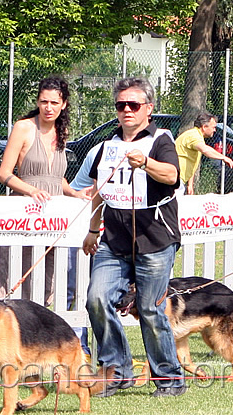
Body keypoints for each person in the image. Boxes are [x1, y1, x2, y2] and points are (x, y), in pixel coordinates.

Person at [76, 77, 186, 398]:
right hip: (113, 239)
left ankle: (168, 378)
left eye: (133, 105)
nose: (126, 110)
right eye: (121, 105)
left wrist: (146, 163)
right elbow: (99, 192)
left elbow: (172, 176)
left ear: (148, 109)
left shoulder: (161, 140)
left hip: (154, 238)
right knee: (97, 299)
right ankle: (116, 371)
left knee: (150, 309)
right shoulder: (107, 147)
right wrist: (93, 228)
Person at [0, 76, 92, 306]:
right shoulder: (23, 127)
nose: (48, 108)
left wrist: (74, 193)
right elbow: (5, 174)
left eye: (54, 103)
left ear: (64, 104)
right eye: (43, 102)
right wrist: (31, 190)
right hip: (25, 214)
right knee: (18, 275)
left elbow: (55, 177)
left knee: (49, 279)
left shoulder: (62, 131)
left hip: (54, 218)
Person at [176, 113, 233, 195]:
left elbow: (190, 162)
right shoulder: (194, 136)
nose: (215, 130)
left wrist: (190, 184)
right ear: (204, 127)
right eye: (213, 127)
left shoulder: (196, 135)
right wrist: (224, 157)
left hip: (178, 179)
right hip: (174, 180)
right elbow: (205, 150)